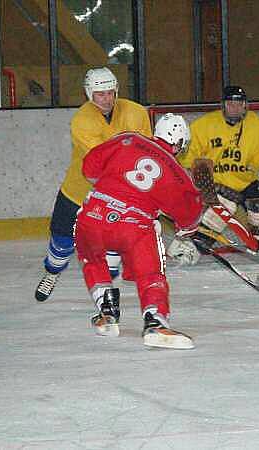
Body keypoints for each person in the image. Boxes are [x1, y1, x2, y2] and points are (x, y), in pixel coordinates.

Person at [75, 113, 202, 349]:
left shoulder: (129, 138)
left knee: (91, 258)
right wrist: (185, 230)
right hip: (134, 226)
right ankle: (154, 321)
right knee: (151, 273)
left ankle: (107, 314)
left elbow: (89, 167)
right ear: (181, 143)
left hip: (93, 214)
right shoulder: (178, 173)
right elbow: (189, 216)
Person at [35, 67, 152, 302]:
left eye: (110, 92)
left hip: (116, 196)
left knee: (109, 248)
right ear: (89, 94)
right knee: (61, 242)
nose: (107, 99)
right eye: (100, 94)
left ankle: (107, 297)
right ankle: (52, 272)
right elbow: (105, 162)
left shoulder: (136, 112)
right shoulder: (82, 120)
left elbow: (147, 152)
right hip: (79, 191)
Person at [172, 85, 259, 263]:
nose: (235, 107)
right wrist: (192, 177)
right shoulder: (204, 125)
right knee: (221, 209)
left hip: (246, 180)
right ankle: (191, 245)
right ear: (223, 105)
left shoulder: (256, 124)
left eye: (239, 103)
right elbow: (187, 156)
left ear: (245, 105)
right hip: (218, 182)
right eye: (230, 103)